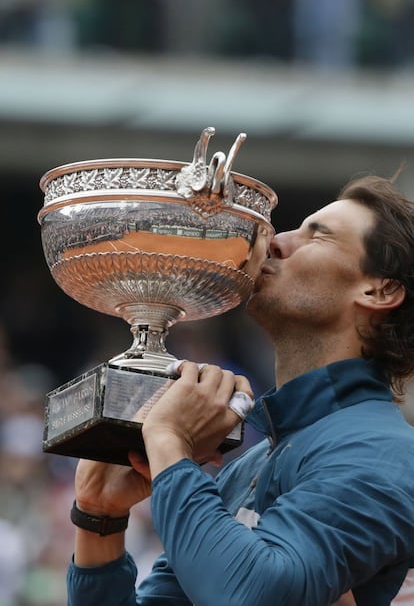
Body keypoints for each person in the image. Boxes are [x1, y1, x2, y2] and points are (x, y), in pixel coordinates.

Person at [67, 174, 414, 606]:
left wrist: (169, 442)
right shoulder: (247, 466)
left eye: (318, 236)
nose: (274, 242)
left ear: (379, 290)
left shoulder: (384, 454)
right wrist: (100, 518)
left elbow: (253, 595)